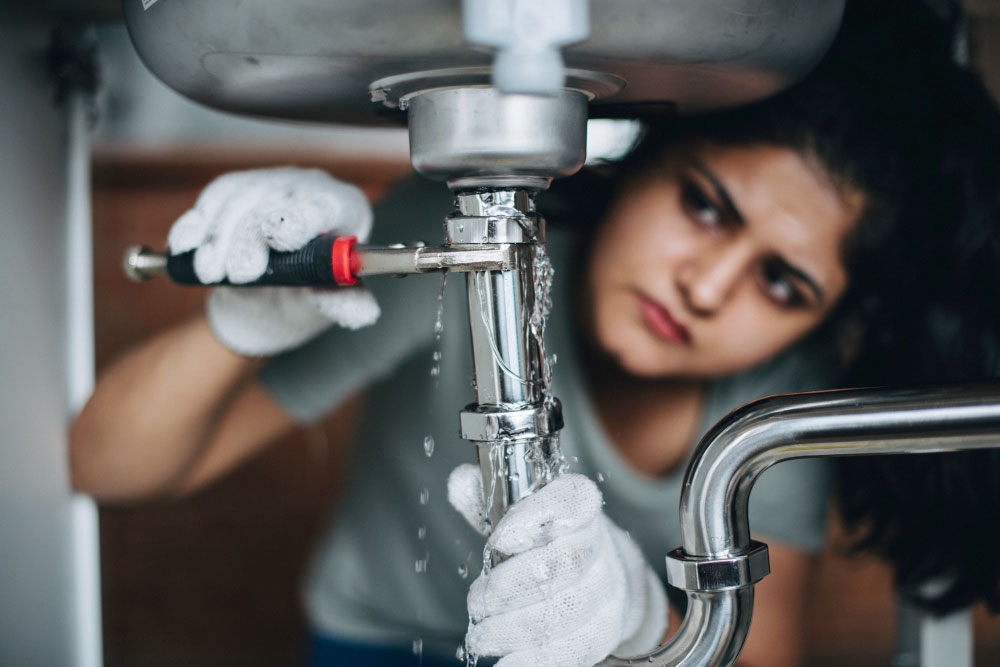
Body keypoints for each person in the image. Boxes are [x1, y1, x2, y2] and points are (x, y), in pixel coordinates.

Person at [70, 1, 1000, 665]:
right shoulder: (449, 237)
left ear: (825, 316)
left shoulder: (780, 384)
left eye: (782, 281)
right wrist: (238, 326)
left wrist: (642, 623)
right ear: (637, 165)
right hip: (384, 643)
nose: (706, 286)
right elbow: (108, 466)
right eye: (705, 206)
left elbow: (761, 650)